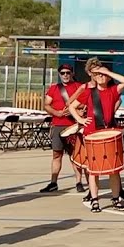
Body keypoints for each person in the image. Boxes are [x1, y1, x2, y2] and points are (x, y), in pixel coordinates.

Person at [67, 59, 124, 213]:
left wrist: (107, 71)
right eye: (98, 75)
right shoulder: (88, 91)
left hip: (109, 132)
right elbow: (71, 106)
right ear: (93, 77)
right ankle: (95, 200)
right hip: (92, 133)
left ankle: (116, 199)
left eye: (104, 75)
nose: (101, 77)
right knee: (93, 170)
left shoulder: (113, 90)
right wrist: (80, 120)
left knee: (114, 170)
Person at [41, 63, 85, 193]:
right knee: (56, 154)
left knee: (75, 155)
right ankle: (53, 182)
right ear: (59, 74)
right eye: (63, 73)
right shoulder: (54, 88)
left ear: (72, 74)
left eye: (68, 72)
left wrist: (77, 111)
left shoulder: (79, 87)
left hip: (73, 125)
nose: (65, 75)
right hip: (57, 125)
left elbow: (85, 103)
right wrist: (57, 113)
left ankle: (78, 182)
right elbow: (46, 104)